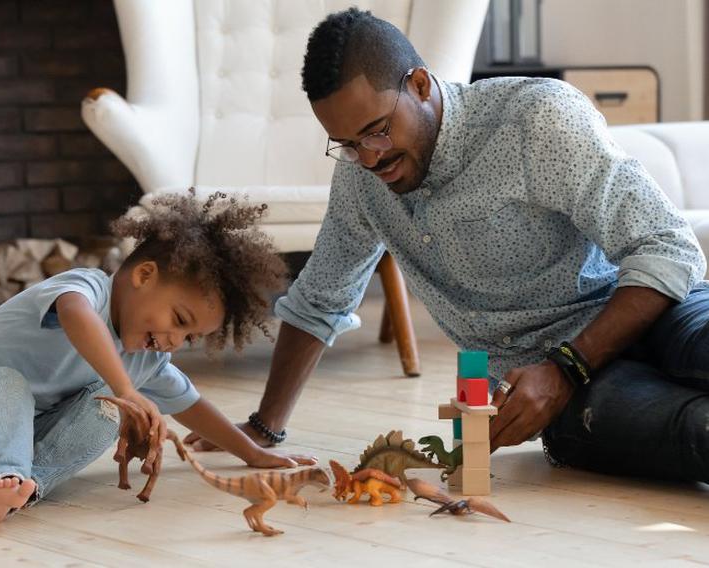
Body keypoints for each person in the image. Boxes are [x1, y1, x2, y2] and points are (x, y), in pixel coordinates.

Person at [184, 8, 709, 482]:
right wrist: (264, 427)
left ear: (419, 84)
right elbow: (321, 298)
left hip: (654, 312)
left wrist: (568, 365)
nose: (368, 159)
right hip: (554, 392)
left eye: (377, 130)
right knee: (697, 432)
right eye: (347, 144)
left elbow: (667, 248)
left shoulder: (535, 119)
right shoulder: (362, 180)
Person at [0, 192, 316, 522]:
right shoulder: (87, 288)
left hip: (34, 443)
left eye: (190, 336)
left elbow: (191, 405)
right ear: (144, 276)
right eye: (179, 320)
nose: (174, 342)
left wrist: (254, 453)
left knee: (107, 408)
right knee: (7, 381)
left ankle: (24, 488)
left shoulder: (148, 357)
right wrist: (126, 388)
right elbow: (77, 315)